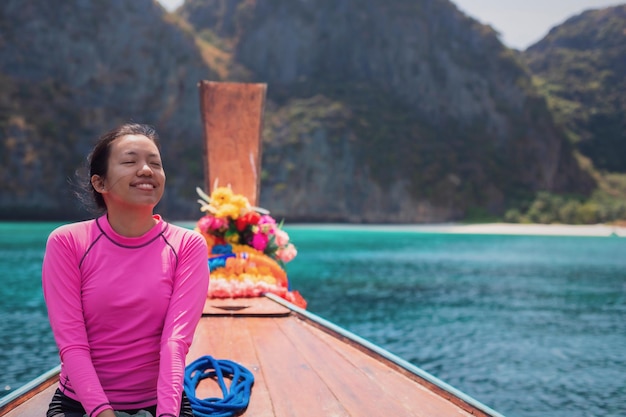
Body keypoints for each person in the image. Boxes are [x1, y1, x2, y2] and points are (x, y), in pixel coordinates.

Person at [42, 123, 209, 417]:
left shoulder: (187, 245)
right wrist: (102, 412)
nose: (146, 170)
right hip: (80, 404)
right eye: (130, 161)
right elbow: (72, 345)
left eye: (155, 163)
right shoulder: (68, 243)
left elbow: (175, 342)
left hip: (161, 402)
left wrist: (168, 414)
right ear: (100, 183)